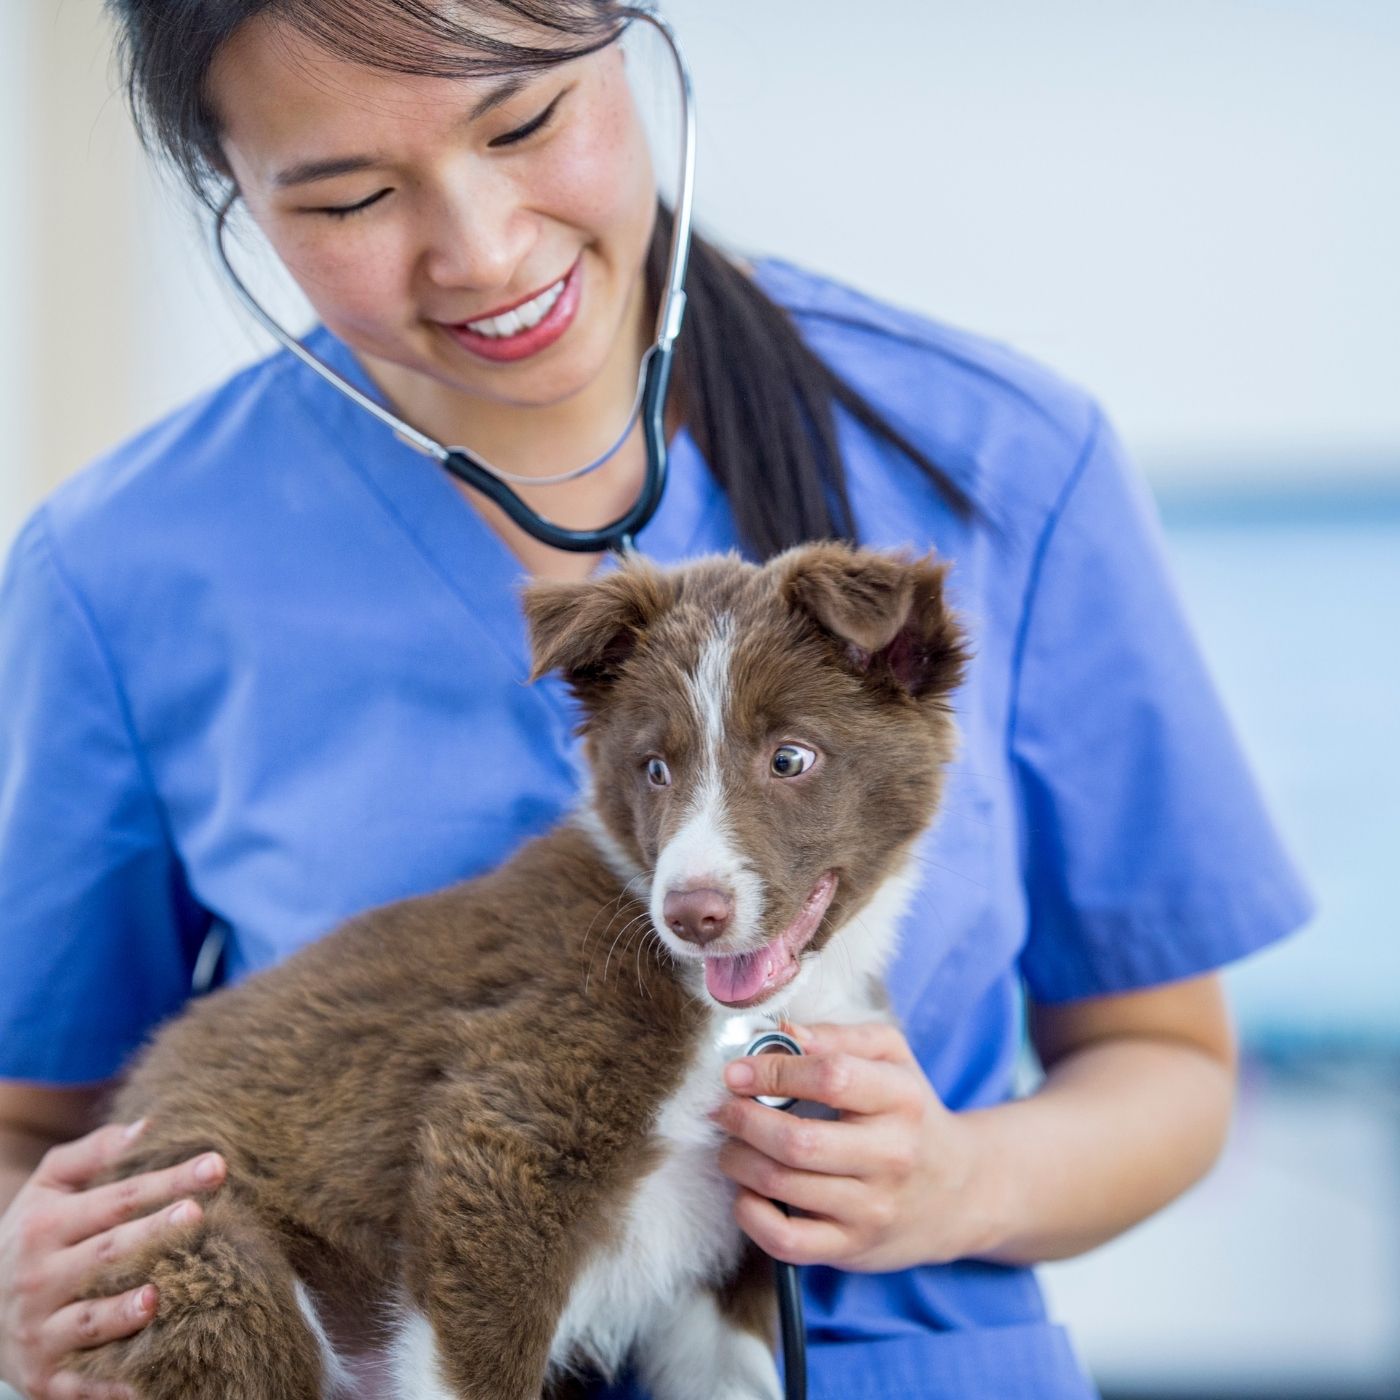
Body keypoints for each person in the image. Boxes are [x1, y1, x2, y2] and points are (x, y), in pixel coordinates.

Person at [0, 3, 1313, 1398]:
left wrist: (956, 1182)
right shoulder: (125, 567)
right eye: (351, 196)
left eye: (526, 123)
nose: (483, 250)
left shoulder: (998, 460)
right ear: (236, 192)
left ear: (627, 50)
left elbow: (1166, 1065)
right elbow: (34, 1122)